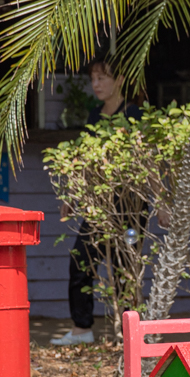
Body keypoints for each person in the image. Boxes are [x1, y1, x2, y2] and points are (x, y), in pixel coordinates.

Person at [52, 59, 142, 347]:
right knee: (81, 261)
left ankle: (128, 333)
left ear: (120, 79)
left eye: (103, 78)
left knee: (124, 270)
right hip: (100, 206)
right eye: (93, 79)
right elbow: (87, 163)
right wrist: (73, 196)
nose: (96, 85)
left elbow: (145, 161)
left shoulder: (133, 114)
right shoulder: (94, 115)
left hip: (129, 206)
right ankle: (82, 328)